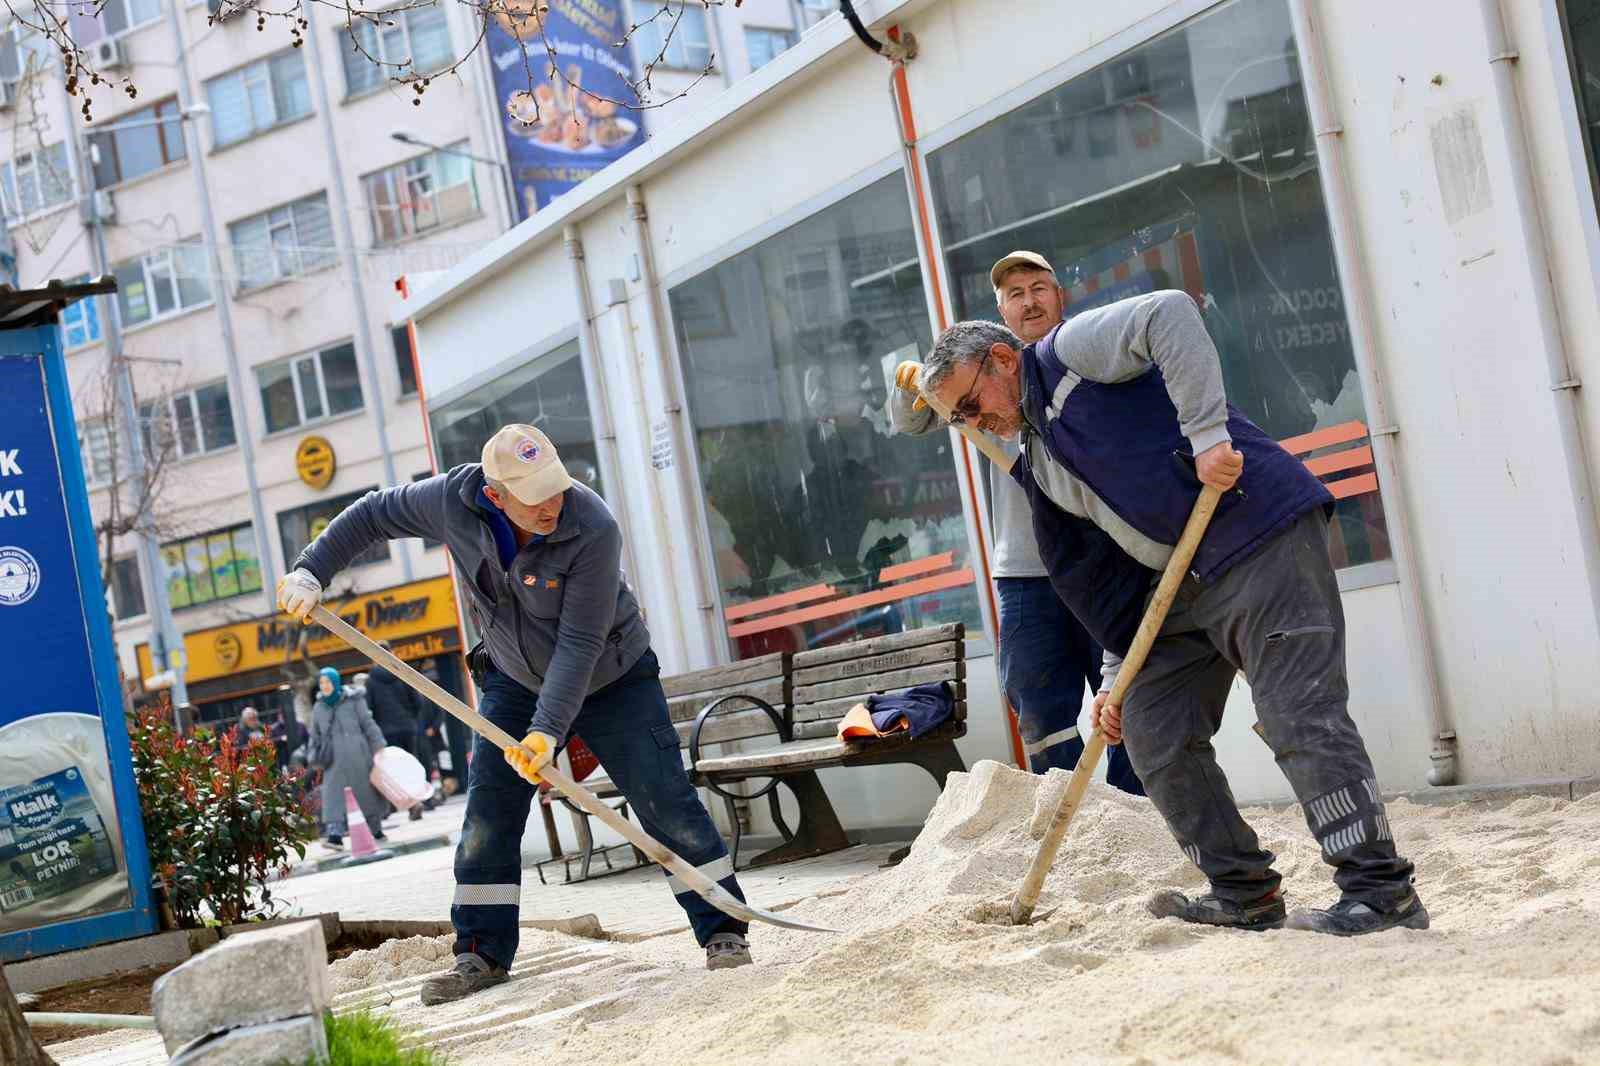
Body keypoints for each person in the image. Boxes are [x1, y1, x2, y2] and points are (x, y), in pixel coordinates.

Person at [917, 290, 1427, 937]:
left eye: (970, 403)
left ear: (999, 360)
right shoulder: (1043, 462)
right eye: (958, 418)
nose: (974, 422)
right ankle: (1244, 892)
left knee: (1296, 715)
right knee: (1151, 729)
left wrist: (1208, 432)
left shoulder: (1064, 355)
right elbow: (1106, 580)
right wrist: (1113, 680)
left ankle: (1381, 893)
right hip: (1183, 584)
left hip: (1256, 530)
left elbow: (1169, 314)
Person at [276, 424, 754, 1005]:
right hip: (512, 677)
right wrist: (311, 568)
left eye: (554, 487)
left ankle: (723, 929)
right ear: (495, 493)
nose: (551, 504)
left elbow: (580, 642)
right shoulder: (451, 500)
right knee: (488, 817)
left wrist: (546, 732)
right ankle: (480, 952)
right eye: (534, 496)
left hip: (611, 675)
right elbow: (372, 514)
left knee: (665, 801)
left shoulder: (592, 526)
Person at [891, 250, 1143, 790]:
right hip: (1027, 571)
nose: (1029, 301)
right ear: (1000, 313)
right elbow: (911, 424)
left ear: (1059, 296)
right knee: (1033, 693)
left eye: (1039, 288)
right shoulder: (978, 376)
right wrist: (913, 387)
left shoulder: (1083, 357)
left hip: (1105, 558)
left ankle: (1135, 806)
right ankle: (1070, 805)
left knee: (1124, 699)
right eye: (1015, 294)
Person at [308, 667, 388, 850]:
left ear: (335, 682)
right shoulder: (319, 707)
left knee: (366, 793)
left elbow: (368, 724)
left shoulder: (354, 700)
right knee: (332, 796)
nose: (324, 686)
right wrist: (314, 757)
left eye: (328, 682)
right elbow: (314, 735)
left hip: (358, 755)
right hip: (333, 760)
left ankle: (375, 830)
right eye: (321, 683)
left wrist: (379, 746)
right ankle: (334, 835)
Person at [365, 642, 431, 820]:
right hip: (407, 728)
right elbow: (418, 702)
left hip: (387, 732)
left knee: (395, 771)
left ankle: (402, 805)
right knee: (412, 767)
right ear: (391, 653)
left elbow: (369, 708)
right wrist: (411, 719)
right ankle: (418, 802)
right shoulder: (401, 672)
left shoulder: (371, 681)